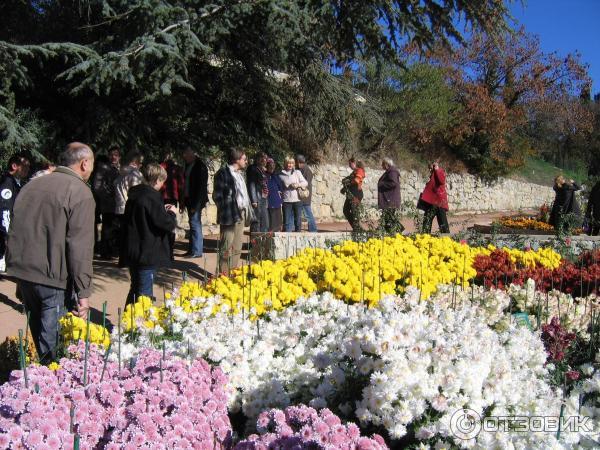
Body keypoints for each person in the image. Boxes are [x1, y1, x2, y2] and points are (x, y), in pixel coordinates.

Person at [6, 143, 94, 364]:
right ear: (84, 163)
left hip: (26, 275)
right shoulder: (79, 191)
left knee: (40, 340)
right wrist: (83, 293)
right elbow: (80, 246)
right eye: (92, 162)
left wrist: (18, 276)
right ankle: (49, 390)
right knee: (54, 352)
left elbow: (17, 232)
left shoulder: (31, 185)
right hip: (55, 279)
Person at [119, 164, 177, 305]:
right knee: (144, 293)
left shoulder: (135, 195)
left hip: (134, 250)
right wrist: (171, 213)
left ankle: (128, 323)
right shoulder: (151, 196)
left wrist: (161, 210)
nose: (162, 186)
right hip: (147, 251)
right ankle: (140, 325)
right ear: (157, 180)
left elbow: (147, 216)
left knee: (135, 289)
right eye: (162, 182)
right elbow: (165, 223)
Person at [213, 148, 252, 275]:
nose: (246, 161)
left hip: (241, 213)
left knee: (237, 245)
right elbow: (217, 196)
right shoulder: (222, 173)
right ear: (237, 159)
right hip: (229, 214)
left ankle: (233, 273)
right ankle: (224, 275)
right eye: (244, 159)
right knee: (226, 245)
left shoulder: (240, 174)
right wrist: (226, 209)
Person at [0, 154, 31, 273]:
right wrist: (7, 233)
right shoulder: (7, 184)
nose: (28, 169)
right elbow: (5, 210)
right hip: (3, 237)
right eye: (25, 166)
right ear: (14, 166)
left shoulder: (16, 184)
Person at [91, 146, 121, 258]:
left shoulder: (119, 169)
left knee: (114, 226)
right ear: (108, 156)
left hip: (118, 203)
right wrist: (107, 197)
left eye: (116, 155)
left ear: (119, 157)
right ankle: (105, 252)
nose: (114, 157)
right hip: (108, 203)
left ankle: (112, 250)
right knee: (108, 226)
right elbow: (97, 186)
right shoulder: (103, 167)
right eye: (112, 154)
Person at [182, 147, 209, 258]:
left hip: (196, 200)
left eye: (186, 155)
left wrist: (196, 204)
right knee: (192, 223)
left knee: (195, 223)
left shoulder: (200, 167)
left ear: (193, 155)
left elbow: (200, 188)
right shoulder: (189, 165)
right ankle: (191, 250)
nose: (184, 157)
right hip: (189, 199)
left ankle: (197, 251)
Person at [161, 153, 184, 260]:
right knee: (171, 225)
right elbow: (181, 186)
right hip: (173, 200)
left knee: (161, 224)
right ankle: (169, 252)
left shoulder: (160, 167)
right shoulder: (177, 169)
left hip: (161, 199)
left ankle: (162, 251)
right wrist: (182, 203)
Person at [279, 156, 309, 232]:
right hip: (286, 200)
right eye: (289, 163)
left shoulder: (297, 172)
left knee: (298, 222)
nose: (290, 165)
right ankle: (286, 240)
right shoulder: (280, 174)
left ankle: (298, 239)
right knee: (286, 222)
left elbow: (305, 183)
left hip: (297, 200)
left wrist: (297, 184)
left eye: (292, 163)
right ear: (285, 163)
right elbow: (279, 187)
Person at [419, 161, 449, 234]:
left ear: (434, 166)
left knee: (443, 222)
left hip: (439, 202)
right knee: (427, 221)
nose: (429, 170)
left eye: (430, 168)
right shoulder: (432, 174)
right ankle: (425, 237)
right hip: (431, 202)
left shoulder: (440, 171)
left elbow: (442, 181)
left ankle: (447, 238)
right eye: (429, 168)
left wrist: (437, 169)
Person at [114, 151, 144, 216]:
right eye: (140, 162)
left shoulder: (120, 173)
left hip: (118, 209)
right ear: (135, 162)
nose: (141, 165)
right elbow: (136, 193)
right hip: (130, 210)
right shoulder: (136, 174)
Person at [377, 157, 402, 233]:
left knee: (389, 216)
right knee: (388, 216)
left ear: (386, 164)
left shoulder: (392, 172)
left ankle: (397, 231)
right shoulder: (390, 171)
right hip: (389, 198)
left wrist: (382, 184)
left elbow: (393, 183)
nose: (382, 166)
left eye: (383, 164)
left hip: (390, 199)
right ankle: (389, 230)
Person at [246, 152, 269, 232]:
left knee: (265, 222)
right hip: (257, 199)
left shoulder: (261, 170)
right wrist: (254, 200)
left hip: (263, 198)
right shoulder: (252, 168)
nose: (264, 160)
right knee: (256, 221)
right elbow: (251, 184)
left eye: (265, 158)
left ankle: (262, 242)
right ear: (257, 159)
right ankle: (254, 243)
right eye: (261, 158)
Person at [341, 157, 365, 231]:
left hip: (356, 194)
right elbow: (348, 180)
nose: (349, 165)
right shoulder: (354, 172)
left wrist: (348, 182)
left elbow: (357, 180)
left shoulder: (360, 170)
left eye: (350, 164)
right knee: (346, 210)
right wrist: (344, 188)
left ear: (354, 163)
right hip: (351, 194)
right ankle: (356, 227)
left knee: (355, 212)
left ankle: (358, 228)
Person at [295, 154, 318, 232]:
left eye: (299, 162)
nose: (298, 164)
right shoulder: (300, 169)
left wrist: (300, 186)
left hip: (305, 195)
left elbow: (307, 183)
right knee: (300, 213)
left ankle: (313, 229)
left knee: (307, 212)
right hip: (302, 195)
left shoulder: (306, 169)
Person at [266, 158, 284, 231]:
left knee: (278, 222)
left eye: (273, 165)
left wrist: (281, 199)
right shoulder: (265, 176)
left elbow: (280, 187)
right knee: (271, 223)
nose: (272, 167)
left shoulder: (276, 176)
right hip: (269, 202)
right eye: (270, 165)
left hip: (277, 202)